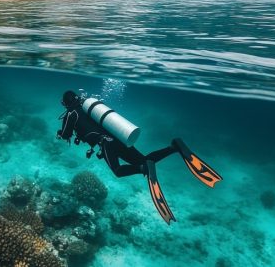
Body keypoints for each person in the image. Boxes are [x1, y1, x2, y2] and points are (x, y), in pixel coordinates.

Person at [56, 90, 222, 223]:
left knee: (118, 171)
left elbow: (65, 134)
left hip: (106, 143)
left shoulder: (72, 114)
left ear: (65, 103)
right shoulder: (88, 108)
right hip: (118, 137)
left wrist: (60, 133)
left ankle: (143, 168)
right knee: (144, 159)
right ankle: (174, 147)